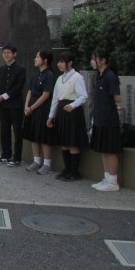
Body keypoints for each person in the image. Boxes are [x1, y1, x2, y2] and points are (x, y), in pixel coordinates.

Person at [47, 51, 88, 182]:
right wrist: (51, 116)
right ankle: (67, 168)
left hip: (73, 112)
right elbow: (55, 98)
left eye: (62, 62)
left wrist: (73, 105)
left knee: (72, 142)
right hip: (61, 110)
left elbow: (83, 96)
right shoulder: (59, 78)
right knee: (64, 142)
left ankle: (74, 171)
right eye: (58, 62)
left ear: (70, 63)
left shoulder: (77, 77)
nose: (59, 64)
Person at [90, 48, 123, 191]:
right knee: (103, 149)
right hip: (100, 118)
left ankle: (113, 182)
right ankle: (107, 178)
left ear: (103, 60)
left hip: (109, 119)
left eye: (94, 59)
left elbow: (117, 97)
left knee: (110, 150)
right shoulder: (100, 75)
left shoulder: (110, 75)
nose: (92, 62)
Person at [0, 43, 26, 167]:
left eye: (9, 53)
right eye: (4, 53)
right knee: (4, 131)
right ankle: (5, 155)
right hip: (3, 106)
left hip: (16, 105)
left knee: (17, 131)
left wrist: (3, 97)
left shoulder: (21, 69)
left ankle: (17, 158)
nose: (6, 55)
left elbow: (18, 88)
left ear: (14, 54)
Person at [22, 50, 56, 175]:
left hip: (43, 109)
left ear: (45, 60)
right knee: (34, 135)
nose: (35, 59)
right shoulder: (35, 75)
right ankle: (36, 161)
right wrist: (26, 106)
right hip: (32, 108)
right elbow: (30, 91)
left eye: (37, 57)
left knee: (44, 136)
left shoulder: (50, 75)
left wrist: (31, 108)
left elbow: (46, 95)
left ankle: (47, 164)